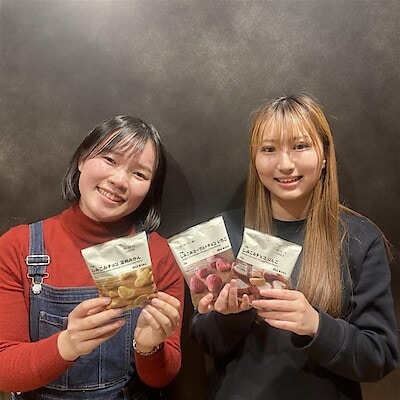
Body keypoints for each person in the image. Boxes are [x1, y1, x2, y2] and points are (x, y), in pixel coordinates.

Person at [189, 94, 399, 400]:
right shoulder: (225, 231)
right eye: (269, 149)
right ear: (255, 159)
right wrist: (229, 316)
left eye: (300, 146)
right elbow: (204, 342)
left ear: (324, 156)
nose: (285, 164)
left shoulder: (360, 239)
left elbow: (379, 356)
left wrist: (315, 325)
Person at [0, 115, 184, 399]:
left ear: (150, 189)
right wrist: (68, 344)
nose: (119, 180)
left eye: (139, 174)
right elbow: (5, 369)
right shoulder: (18, 246)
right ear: (82, 159)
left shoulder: (158, 254)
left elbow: (162, 377)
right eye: (110, 160)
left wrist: (149, 347)